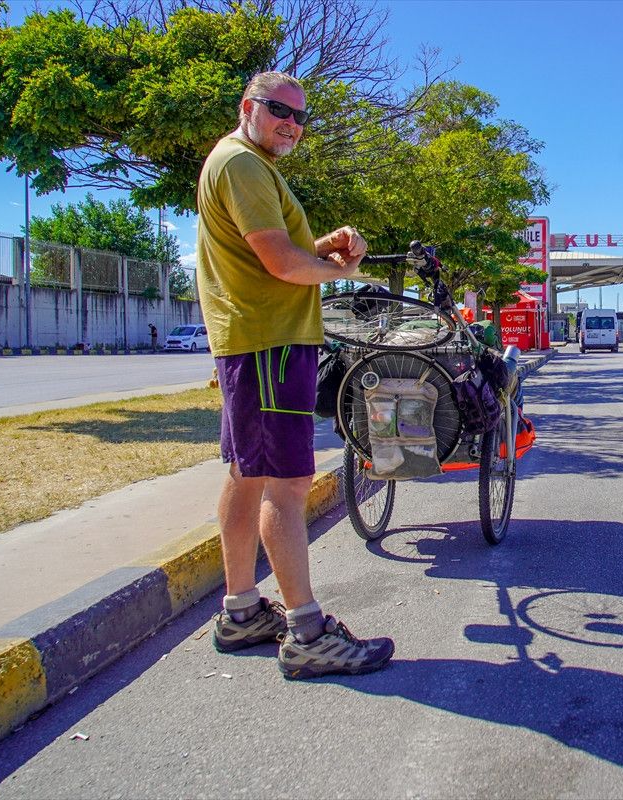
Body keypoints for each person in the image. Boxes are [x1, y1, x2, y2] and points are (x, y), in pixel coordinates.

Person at [195, 70, 393, 679]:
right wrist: (347, 272)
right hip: (272, 345)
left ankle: (241, 611)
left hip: (253, 342)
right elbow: (282, 265)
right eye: (279, 109)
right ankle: (307, 634)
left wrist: (324, 246)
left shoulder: (242, 165)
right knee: (286, 483)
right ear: (247, 107)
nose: (291, 123)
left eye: (300, 116)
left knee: (249, 475)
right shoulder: (243, 166)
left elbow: (278, 252)